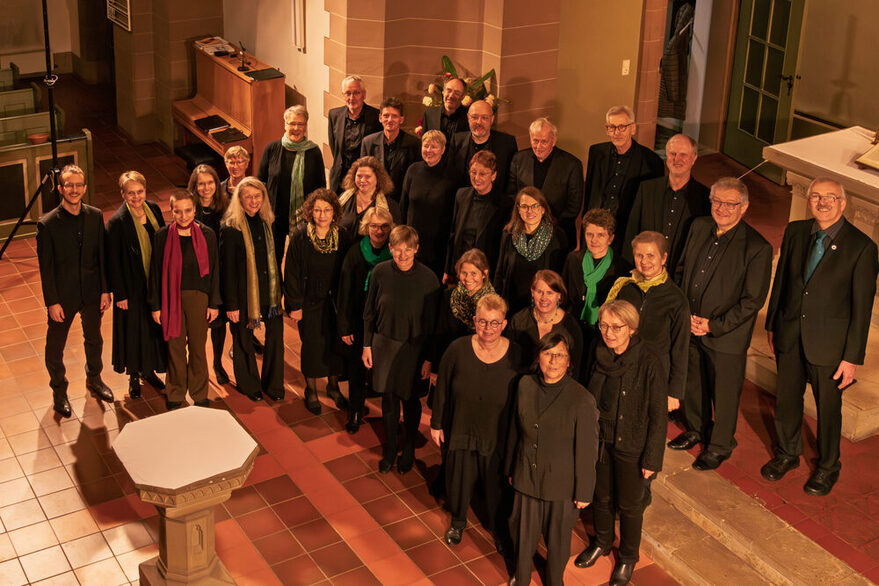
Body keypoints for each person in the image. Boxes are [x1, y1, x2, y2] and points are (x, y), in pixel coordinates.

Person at [762, 177, 878, 496]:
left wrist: (851, 358)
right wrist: (773, 325)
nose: (822, 202)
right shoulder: (796, 231)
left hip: (830, 346)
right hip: (789, 334)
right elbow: (783, 282)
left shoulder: (862, 248)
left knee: (828, 409)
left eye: (830, 197)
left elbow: (861, 309)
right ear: (809, 200)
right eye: (816, 196)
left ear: (843, 204)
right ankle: (787, 454)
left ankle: (828, 466)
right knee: (786, 401)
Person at [669, 178, 772, 470]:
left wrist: (713, 325)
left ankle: (720, 445)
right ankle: (696, 429)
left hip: (725, 335)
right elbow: (680, 270)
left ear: (744, 207)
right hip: (690, 324)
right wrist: (683, 312)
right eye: (717, 201)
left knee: (724, 393)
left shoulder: (757, 247)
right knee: (692, 383)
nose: (722, 208)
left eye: (730, 204)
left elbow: (752, 301)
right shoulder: (699, 227)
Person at [574, 300, 666, 586]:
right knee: (601, 498)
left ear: (632, 328)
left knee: (629, 506)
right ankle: (601, 542)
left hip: (631, 443)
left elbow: (657, 416)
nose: (609, 333)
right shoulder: (598, 351)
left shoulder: (649, 360)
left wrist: (652, 459)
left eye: (616, 327)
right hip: (600, 439)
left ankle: (627, 557)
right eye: (604, 326)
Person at [506, 332, 598, 586]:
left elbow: (587, 450)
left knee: (557, 541)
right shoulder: (525, 385)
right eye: (548, 354)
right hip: (527, 475)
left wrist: (584, 491)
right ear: (539, 357)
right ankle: (521, 577)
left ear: (569, 361)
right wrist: (512, 468)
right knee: (522, 533)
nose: (553, 360)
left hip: (561, 485)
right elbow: (515, 430)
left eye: (560, 355)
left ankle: (555, 580)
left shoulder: (582, 400)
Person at [431, 294, 521, 551]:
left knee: (496, 487)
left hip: (496, 435)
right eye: (483, 322)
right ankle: (458, 521)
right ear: (474, 321)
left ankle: (497, 528)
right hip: (460, 428)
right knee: (458, 479)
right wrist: (436, 424)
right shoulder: (457, 349)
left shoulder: (517, 354)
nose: (488, 329)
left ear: (504, 324)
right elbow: (442, 389)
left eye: (494, 323)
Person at [363, 225, 440, 474]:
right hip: (384, 344)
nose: (403, 254)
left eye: (408, 249)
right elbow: (369, 312)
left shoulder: (429, 279)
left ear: (416, 249)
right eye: (397, 249)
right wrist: (367, 345)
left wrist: (429, 358)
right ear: (390, 248)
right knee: (388, 398)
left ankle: (408, 447)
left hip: (414, 349)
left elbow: (433, 324)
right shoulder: (380, 272)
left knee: (410, 399)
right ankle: (390, 447)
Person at [37, 164, 113, 417]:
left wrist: (105, 289)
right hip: (63, 296)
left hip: (92, 292)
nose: (74, 189)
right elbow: (46, 269)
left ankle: (95, 378)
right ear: (60, 189)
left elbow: (102, 256)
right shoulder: (47, 224)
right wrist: (52, 302)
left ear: (84, 188)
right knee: (55, 346)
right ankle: (59, 391)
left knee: (95, 339)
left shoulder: (95, 215)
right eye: (68, 185)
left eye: (78, 185)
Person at [149, 190, 221, 409]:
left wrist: (213, 303)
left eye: (188, 210)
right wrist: (156, 305)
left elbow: (215, 270)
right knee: (175, 347)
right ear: (171, 211)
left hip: (200, 298)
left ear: (194, 209)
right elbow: (155, 271)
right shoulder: (162, 236)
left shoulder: (207, 234)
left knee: (198, 347)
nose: (183, 216)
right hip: (172, 299)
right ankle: (175, 390)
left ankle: (199, 392)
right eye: (177, 211)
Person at [607, 231, 689, 412]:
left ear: (663, 258)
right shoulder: (625, 288)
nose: (644, 261)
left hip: (654, 375)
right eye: (639, 255)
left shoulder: (676, 300)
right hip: (623, 367)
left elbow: (680, 349)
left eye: (651, 255)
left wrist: (674, 393)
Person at [220, 177, 285, 402]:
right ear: (239, 199)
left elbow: (275, 260)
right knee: (243, 341)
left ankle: (274, 385)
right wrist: (231, 305)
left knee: (276, 337)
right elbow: (226, 270)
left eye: (258, 196)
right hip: (243, 296)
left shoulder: (268, 222)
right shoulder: (231, 229)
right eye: (248, 196)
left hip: (269, 294)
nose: (253, 201)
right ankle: (250, 385)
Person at [284, 189, 349, 415]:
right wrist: (295, 305)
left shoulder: (342, 236)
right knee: (311, 346)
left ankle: (333, 386)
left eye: (327, 210)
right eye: (318, 210)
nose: (322, 215)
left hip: (333, 302)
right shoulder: (301, 236)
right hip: (308, 301)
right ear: (310, 211)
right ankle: (311, 390)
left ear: (334, 213)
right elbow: (291, 273)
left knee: (334, 345)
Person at [107, 171, 167, 398]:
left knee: (153, 329)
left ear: (145, 190)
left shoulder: (154, 209)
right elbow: (113, 261)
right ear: (123, 194)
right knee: (133, 332)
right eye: (130, 193)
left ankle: (148, 370)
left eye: (139, 191)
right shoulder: (116, 222)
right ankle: (134, 375)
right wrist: (120, 294)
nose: (136, 197)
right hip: (131, 287)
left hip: (155, 282)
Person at [336, 207, 395, 433]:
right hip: (359, 321)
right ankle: (356, 411)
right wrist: (345, 326)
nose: (379, 231)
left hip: (385, 324)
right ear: (366, 228)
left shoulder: (395, 254)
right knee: (356, 369)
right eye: (374, 226)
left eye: (383, 226)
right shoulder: (355, 253)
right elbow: (344, 292)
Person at [623, 134, 709, 276]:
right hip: (644, 273)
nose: (677, 159)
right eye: (672, 154)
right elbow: (631, 232)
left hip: (680, 276)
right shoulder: (647, 189)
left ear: (694, 159)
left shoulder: (705, 197)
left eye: (683, 155)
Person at [584, 106, 664, 252]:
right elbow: (590, 190)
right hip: (596, 227)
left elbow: (650, 207)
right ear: (607, 130)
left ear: (633, 129)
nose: (617, 133)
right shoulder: (596, 152)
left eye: (622, 127)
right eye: (612, 127)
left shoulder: (651, 161)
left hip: (626, 228)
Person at [258, 105, 326, 270]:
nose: (296, 128)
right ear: (285, 125)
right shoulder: (272, 148)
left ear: (306, 126)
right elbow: (261, 182)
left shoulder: (314, 152)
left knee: (300, 262)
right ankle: (275, 293)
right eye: (292, 123)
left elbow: (321, 188)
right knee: (272, 262)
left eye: (301, 124)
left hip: (303, 218)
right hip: (274, 217)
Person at [562, 208, 631, 369]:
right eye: (589, 234)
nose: (594, 240)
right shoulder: (573, 260)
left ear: (611, 238)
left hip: (603, 333)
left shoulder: (621, 267)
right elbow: (564, 295)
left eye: (600, 235)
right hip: (573, 327)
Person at [190, 164, 235, 384]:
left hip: (222, 272)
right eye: (201, 184)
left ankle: (217, 362)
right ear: (195, 186)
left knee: (219, 322)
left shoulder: (225, 208)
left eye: (210, 183)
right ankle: (197, 365)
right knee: (197, 323)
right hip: (198, 275)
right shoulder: (189, 209)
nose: (206, 188)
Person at [508, 117, 584, 245]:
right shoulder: (518, 159)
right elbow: (511, 195)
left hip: (559, 234)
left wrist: (548, 227)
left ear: (553, 141)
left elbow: (574, 206)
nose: (538, 146)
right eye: (535, 141)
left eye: (544, 141)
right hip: (523, 231)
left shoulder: (572, 164)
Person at [494, 187, 567, 313]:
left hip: (543, 306)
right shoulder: (509, 234)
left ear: (543, 209)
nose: (529, 211)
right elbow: (500, 272)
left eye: (535, 206)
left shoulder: (558, 236)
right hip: (511, 304)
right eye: (524, 206)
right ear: (518, 209)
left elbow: (560, 279)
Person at [399, 130, 458, 277]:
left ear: (443, 150)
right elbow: (403, 206)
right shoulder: (413, 170)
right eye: (426, 146)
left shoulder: (453, 176)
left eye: (434, 147)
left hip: (437, 246)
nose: (429, 150)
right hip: (411, 242)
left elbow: (454, 215)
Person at [444, 151, 508, 283]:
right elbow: (453, 235)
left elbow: (502, 248)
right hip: (460, 272)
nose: (477, 177)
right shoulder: (461, 195)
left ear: (494, 175)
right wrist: (448, 270)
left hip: (486, 275)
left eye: (483, 173)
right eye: (473, 172)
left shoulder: (505, 204)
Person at [508, 270, 584, 379]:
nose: (544, 298)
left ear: (559, 296)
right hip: (522, 385)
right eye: (539, 292)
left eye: (550, 293)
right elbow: (510, 360)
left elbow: (575, 370)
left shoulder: (571, 328)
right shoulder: (518, 320)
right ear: (532, 292)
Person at [432, 249, 497, 372]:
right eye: (464, 273)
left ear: (484, 274)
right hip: (451, 362)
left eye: (473, 273)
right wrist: (435, 368)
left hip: (479, 367)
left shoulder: (494, 303)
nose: (468, 278)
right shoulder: (448, 296)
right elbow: (440, 333)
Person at [360, 96, 421, 202]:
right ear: (380, 118)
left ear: (401, 119)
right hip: (375, 200)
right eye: (386, 116)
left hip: (402, 201)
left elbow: (415, 179)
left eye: (394, 116)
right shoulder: (368, 142)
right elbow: (364, 174)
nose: (389, 120)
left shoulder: (414, 144)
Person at [448, 99, 518, 191]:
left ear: (492, 119)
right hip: (464, 202)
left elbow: (512, 181)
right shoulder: (457, 141)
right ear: (468, 118)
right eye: (474, 117)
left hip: (497, 202)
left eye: (484, 118)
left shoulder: (507, 143)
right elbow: (450, 177)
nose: (479, 122)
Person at [328, 75, 381, 193]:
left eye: (356, 93)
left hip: (364, 179)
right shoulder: (334, 115)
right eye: (348, 93)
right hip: (339, 179)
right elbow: (334, 147)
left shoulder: (376, 117)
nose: (352, 97)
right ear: (343, 95)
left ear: (364, 94)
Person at [337, 156, 402, 241]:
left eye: (367, 176)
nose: (362, 180)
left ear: (378, 178)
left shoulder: (391, 207)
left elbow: (395, 238)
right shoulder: (343, 199)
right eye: (359, 176)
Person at [422, 77, 469, 144]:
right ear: (443, 92)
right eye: (448, 90)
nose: (451, 96)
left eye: (457, 93)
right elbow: (424, 143)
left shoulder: (469, 117)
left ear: (463, 97)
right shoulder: (429, 114)